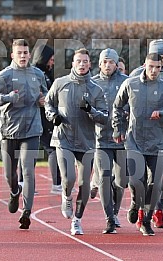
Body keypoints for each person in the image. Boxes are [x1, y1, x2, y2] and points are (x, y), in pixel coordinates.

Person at [112, 53, 163, 236]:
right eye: (150, 66)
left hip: (158, 142)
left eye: (157, 67)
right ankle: (136, 203)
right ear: (144, 65)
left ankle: (146, 220)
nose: (153, 71)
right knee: (138, 181)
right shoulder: (131, 84)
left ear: (161, 68)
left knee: (155, 183)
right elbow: (117, 106)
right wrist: (118, 128)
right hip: (134, 140)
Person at [0, 39, 48, 229]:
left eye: (25, 53)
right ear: (12, 55)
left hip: (32, 129)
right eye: (19, 53)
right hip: (9, 129)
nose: (22, 56)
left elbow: (47, 95)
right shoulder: (4, 75)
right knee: (9, 173)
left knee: (28, 171)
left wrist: (44, 101)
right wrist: (7, 98)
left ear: (29, 54)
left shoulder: (38, 74)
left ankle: (27, 212)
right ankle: (14, 192)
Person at [45, 48, 108, 235]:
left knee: (84, 184)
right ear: (73, 63)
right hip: (63, 138)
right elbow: (49, 103)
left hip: (87, 141)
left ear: (90, 64)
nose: (82, 64)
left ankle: (77, 220)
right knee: (69, 178)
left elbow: (104, 117)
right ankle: (66, 195)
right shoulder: (60, 83)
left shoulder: (96, 89)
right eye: (78, 61)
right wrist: (53, 116)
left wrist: (91, 110)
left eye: (85, 61)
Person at [130, 39, 163, 229]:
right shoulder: (135, 75)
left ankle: (158, 210)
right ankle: (139, 206)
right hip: (140, 134)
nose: (161, 62)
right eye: (158, 57)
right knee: (138, 176)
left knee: (162, 174)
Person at [91, 48, 129, 233]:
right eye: (104, 61)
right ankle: (109, 219)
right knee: (105, 177)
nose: (108, 65)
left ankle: (115, 210)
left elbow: (133, 104)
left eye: (111, 62)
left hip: (121, 139)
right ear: (99, 63)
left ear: (116, 64)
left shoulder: (125, 82)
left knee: (121, 181)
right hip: (100, 139)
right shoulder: (92, 83)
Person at [30, 44, 63, 194]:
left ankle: (26, 182)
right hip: (36, 118)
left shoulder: (46, 74)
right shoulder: (36, 74)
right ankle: (55, 185)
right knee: (46, 149)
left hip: (45, 118)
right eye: (51, 59)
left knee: (46, 149)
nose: (53, 62)